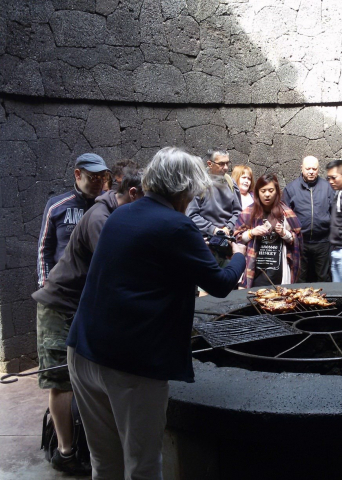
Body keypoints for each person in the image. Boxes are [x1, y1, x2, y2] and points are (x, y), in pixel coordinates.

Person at [66, 147, 246, 479]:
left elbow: (150, 261)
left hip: (83, 350)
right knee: (143, 466)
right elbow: (220, 284)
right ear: (185, 189)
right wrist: (239, 254)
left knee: (105, 464)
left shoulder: (122, 213)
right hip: (130, 364)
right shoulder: (177, 226)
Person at [32, 167, 144, 475]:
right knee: (61, 380)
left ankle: (81, 445)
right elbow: (114, 267)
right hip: (58, 305)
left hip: (80, 304)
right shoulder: (99, 219)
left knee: (81, 375)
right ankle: (66, 452)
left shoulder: (109, 209)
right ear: (131, 196)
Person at [37, 153, 110, 288]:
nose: (98, 183)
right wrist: (45, 285)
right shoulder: (56, 206)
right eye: (93, 177)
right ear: (78, 174)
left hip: (98, 288)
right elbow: (45, 249)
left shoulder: (111, 205)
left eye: (102, 177)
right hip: (64, 288)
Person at [235, 173, 303, 288]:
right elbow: (237, 238)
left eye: (271, 190)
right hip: (254, 269)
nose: (267, 194)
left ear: (276, 191)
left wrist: (284, 233)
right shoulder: (248, 213)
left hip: (278, 271)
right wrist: (252, 233)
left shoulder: (286, 213)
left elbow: (297, 240)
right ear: (257, 192)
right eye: (263, 191)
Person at [186, 149, 242, 267]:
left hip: (226, 242)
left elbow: (237, 211)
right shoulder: (199, 184)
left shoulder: (230, 182)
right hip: (205, 244)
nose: (226, 167)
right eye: (221, 164)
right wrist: (213, 229)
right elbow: (191, 215)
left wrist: (228, 227)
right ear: (210, 164)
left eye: (227, 163)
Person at [283, 156, 334, 283]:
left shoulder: (328, 187)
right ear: (302, 168)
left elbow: (335, 212)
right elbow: (284, 214)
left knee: (324, 277)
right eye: (308, 168)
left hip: (323, 241)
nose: (311, 171)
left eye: (314, 169)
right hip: (300, 242)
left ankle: (324, 302)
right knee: (300, 277)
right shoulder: (291, 189)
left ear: (318, 169)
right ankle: (301, 303)